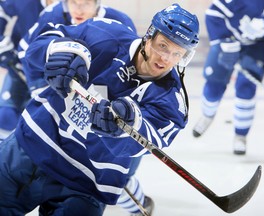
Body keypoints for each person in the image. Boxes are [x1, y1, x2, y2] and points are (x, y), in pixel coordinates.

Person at [0, 3, 199, 216]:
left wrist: (126, 123)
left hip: (86, 184)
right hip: (30, 147)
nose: (167, 59)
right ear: (149, 35)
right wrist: (58, 52)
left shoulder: (173, 102)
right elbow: (39, 45)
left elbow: (144, 143)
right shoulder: (104, 33)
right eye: (163, 46)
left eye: (178, 54)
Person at [18, 0, 153, 215]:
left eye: (86, 3)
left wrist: (118, 109)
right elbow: (28, 49)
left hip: (103, 105)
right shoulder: (53, 14)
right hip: (63, 104)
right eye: (74, 2)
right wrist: (39, 87)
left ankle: (140, 206)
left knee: (116, 173)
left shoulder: (119, 21)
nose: (79, 9)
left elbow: (132, 73)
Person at [192, 0, 264, 155]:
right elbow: (213, 13)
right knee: (214, 84)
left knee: (246, 88)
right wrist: (220, 42)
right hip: (227, 40)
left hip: (256, 47)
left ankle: (240, 135)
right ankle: (207, 115)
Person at [0, 0, 59, 142]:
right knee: (6, 117)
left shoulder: (72, 8)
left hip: (50, 79)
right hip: (18, 67)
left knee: (38, 128)